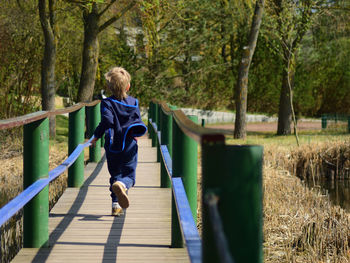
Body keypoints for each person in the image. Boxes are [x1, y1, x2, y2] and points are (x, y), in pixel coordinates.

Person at [90, 67, 147, 216]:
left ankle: (116, 205)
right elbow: (136, 121)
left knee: (115, 172)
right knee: (129, 175)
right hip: (129, 144)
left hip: (113, 143)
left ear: (108, 88)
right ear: (128, 86)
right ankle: (123, 184)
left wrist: (96, 135)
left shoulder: (107, 103)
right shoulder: (134, 102)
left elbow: (106, 121)